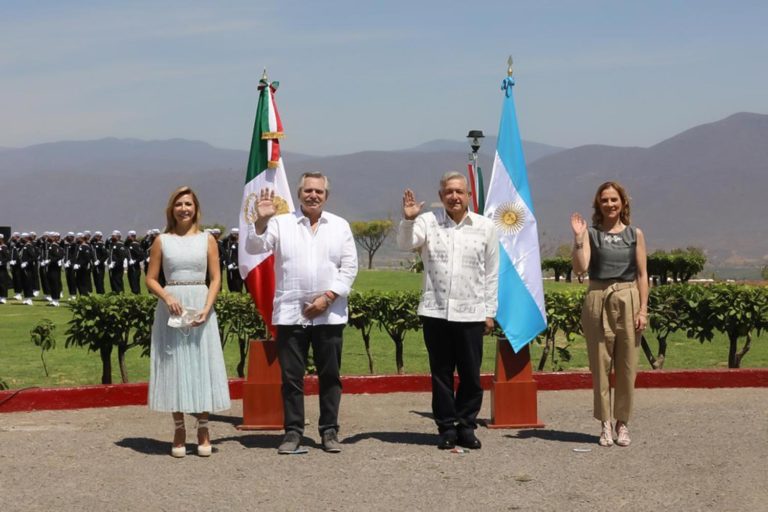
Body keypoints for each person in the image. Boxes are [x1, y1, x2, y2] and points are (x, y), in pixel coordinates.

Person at [245, 171, 358, 454]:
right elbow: (254, 246)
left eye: (319, 191)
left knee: (329, 375)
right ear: (299, 194)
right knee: (291, 378)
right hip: (290, 313)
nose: (313, 195)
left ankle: (329, 431)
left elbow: (349, 268)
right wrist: (260, 220)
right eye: (308, 190)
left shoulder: (340, 226)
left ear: (326, 196)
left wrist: (328, 297)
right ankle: (293, 432)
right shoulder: (280, 223)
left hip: (329, 314)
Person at [397, 171, 498, 450]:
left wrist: (489, 311)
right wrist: (408, 219)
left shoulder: (485, 227)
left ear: (468, 196)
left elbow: (491, 273)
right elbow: (406, 244)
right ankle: (446, 428)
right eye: (449, 192)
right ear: (441, 196)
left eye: (459, 192)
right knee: (441, 374)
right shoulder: (428, 222)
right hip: (435, 310)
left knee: (470, 374)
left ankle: (466, 426)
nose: (454, 196)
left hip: (471, 312)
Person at [146, 186, 230, 458]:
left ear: (196, 209)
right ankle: (179, 428)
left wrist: (207, 307)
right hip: (172, 307)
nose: (184, 208)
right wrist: (166, 295)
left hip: (200, 304)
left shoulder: (208, 240)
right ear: (172, 209)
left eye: (189, 204)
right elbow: (150, 278)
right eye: (179, 204)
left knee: (199, 363)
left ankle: (203, 428)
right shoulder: (162, 240)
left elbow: (216, 278)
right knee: (175, 365)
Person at [570, 181, 648, 448]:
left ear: (623, 203)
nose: (610, 204)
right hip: (598, 297)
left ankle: (622, 423)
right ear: (598, 204)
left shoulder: (634, 234)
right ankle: (604, 423)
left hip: (628, 297)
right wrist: (579, 240)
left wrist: (643, 309)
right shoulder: (591, 234)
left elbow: (642, 274)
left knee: (627, 366)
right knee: (600, 365)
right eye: (605, 200)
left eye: (614, 199)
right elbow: (581, 269)